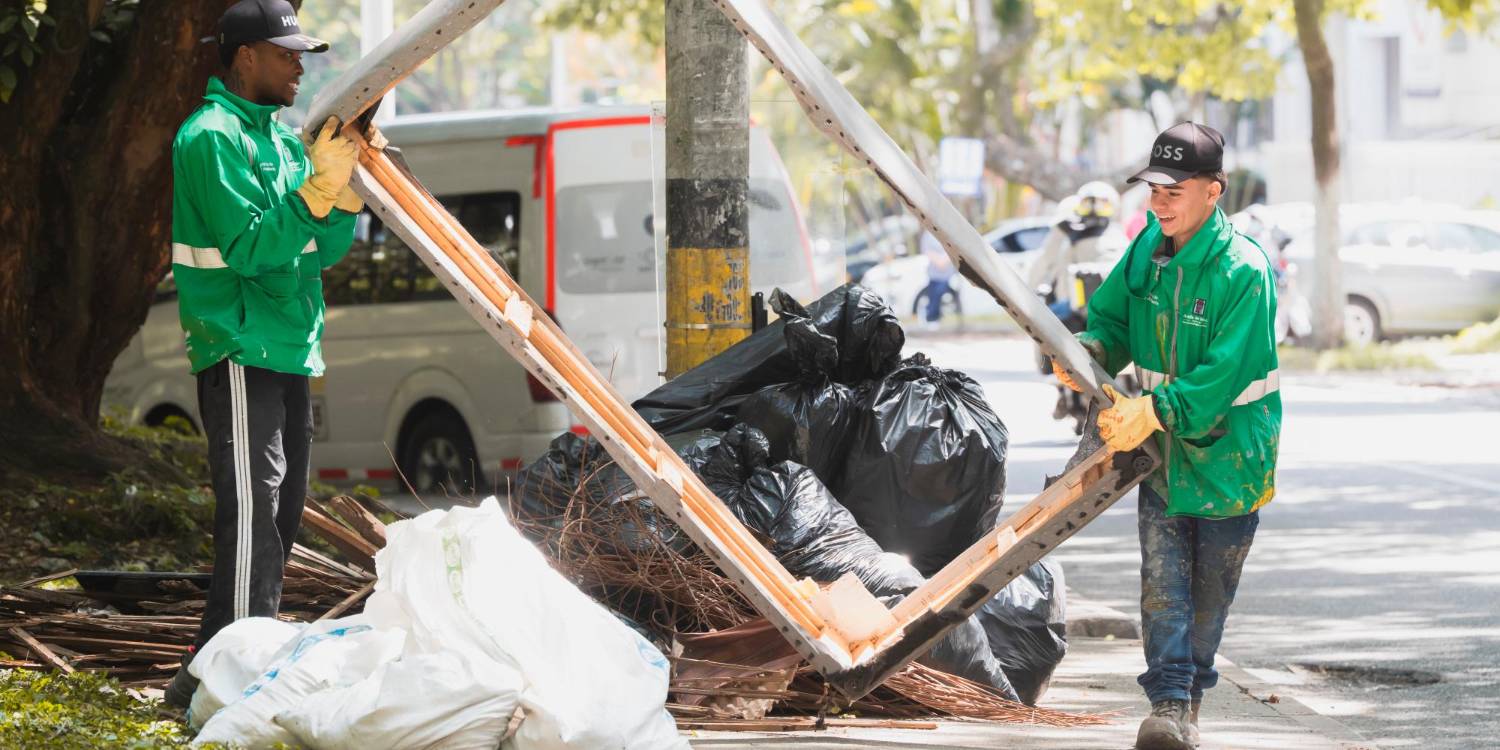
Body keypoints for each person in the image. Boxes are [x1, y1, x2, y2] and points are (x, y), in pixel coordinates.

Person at [163, 0, 370, 708]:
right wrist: (315, 194)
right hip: (241, 342)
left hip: (289, 343)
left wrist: (336, 198)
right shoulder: (209, 137)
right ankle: (234, 679)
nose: (299, 66)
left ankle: (202, 677)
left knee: (278, 522)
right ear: (244, 56)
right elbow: (252, 250)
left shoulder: (283, 142)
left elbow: (317, 251)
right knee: (253, 522)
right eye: (287, 54)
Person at [1052, 122, 1281, 750]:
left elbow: (1223, 374)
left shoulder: (1244, 271)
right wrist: (1090, 349)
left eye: (1174, 190)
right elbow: (1113, 320)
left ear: (1214, 191)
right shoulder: (1149, 249)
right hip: (1163, 450)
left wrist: (1153, 410)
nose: (1160, 202)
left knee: (1209, 594)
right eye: (1154, 188)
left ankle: (1191, 697)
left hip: (1232, 456)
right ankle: (1170, 705)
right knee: (1163, 579)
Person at [1027, 181, 1127, 320]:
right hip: (1068, 307)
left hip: (1097, 313)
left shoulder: (1115, 238)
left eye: (1101, 204)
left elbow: (1119, 274)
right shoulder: (1066, 237)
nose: (1093, 209)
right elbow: (1043, 265)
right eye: (1088, 204)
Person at [918, 231, 956, 329]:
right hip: (935, 274)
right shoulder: (927, 235)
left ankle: (933, 316)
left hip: (951, 274)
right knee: (934, 296)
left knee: (943, 294)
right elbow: (928, 252)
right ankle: (931, 318)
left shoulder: (947, 232)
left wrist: (945, 260)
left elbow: (954, 248)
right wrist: (940, 261)